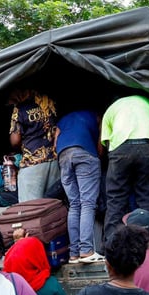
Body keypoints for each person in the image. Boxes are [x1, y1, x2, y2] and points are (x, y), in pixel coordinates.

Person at [101, 94, 149, 234]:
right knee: (146, 198)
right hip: (147, 146)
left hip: (120, 149)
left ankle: (111, 246)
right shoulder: (146, 102)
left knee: (115, 200)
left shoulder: (110, 110)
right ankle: (145, 243)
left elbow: (106, 143)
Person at [54, 110, 103, 263]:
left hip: (63, 155)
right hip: (84, 153)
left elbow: (55, 144)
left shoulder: (63, 120)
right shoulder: (96, 117)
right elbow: (100, 146)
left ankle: (74, 253)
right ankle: (87, 251)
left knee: (74, 205)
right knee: (87, 203)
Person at [9, 89, 59, 201]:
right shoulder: (47, 102)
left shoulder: (20, 109)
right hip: (53, 160)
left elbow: (15, 140)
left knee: (30, 208)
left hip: (33, 161)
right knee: (52, 205)